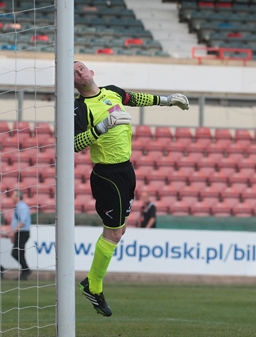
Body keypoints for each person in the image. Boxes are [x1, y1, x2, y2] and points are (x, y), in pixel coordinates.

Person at [73, 60, 189, 317]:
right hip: (107, 174)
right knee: (113, 234)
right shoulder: (79, 108)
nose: (80, 72)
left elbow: (135, 98)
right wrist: (103, 126)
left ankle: (91, 282)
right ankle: (94, 286)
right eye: (74, 72)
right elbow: (75, 143)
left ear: (92, 72)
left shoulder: (112, 91)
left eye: (82, 67)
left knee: (120, 230)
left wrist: (167, 100)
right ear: (74, 82)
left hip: (126, 170)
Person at [8, 189, 32, 280]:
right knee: (20, 253)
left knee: (15, 253)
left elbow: (22, 222)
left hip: (23, 233)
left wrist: (13, 232)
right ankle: (24, 273)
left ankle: (26, 269)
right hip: (20, 232)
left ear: (18, 196)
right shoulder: (18, 207)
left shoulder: (22, 207)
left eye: (13, 195)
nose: (12, 197)